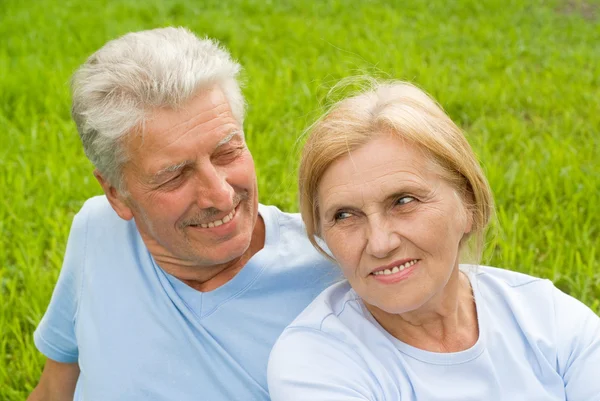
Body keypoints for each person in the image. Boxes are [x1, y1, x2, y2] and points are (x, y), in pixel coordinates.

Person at [28, 27, 340, 401]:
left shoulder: (333, 272)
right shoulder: (97, 229)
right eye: (175, 175)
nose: (221, 196)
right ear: (116, 193)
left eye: (227, 152)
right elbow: (53, 389)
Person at [267, 81, 600, 400]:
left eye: (403, 201)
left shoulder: (548, 318)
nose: (380, 244)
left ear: (468, 205)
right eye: (345, 215)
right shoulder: (316, 362)